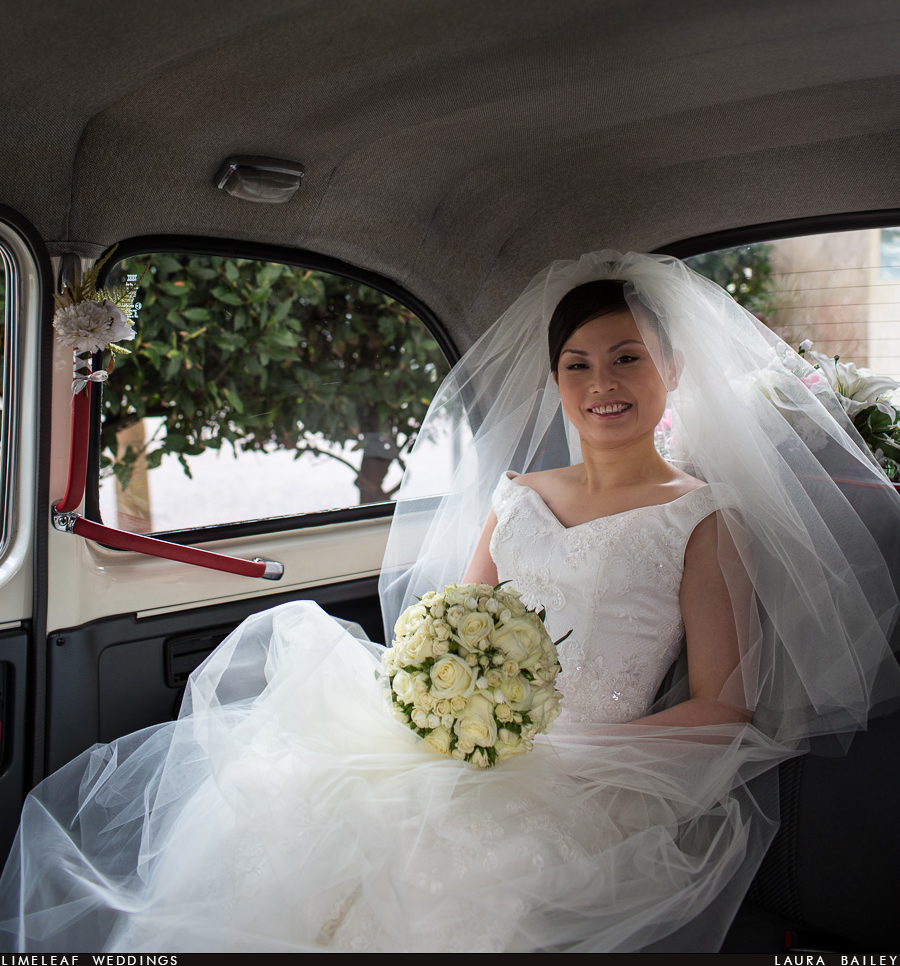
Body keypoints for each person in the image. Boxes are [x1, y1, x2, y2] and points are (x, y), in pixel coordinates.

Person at [2, 249, 898, 952]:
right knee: (300, 808)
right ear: (555, 382)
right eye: (577, 363)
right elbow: (456, 628)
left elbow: (722, 706)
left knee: (450, 864)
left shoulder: (703, 517)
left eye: (627, 357)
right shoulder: (516, 494)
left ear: (670, 367)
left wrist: (562, 744)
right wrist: (438, 706)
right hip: (468, 740)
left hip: (600, 766)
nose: (601, 384)